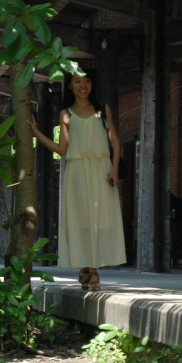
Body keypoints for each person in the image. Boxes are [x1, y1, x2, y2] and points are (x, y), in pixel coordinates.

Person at [28, 73, 126, 290]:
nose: (83, 85)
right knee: (82, 219)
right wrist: (36, 133)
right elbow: (62, 149)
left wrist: (115, 170)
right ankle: (88, 268)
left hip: (102, 170)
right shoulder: (66, 114)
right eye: (78, 81)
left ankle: (92, 268)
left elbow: (116, 143)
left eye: (88, 80)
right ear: (70, 86)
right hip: (77, 171)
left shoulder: (103, 110)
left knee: (100, 219)